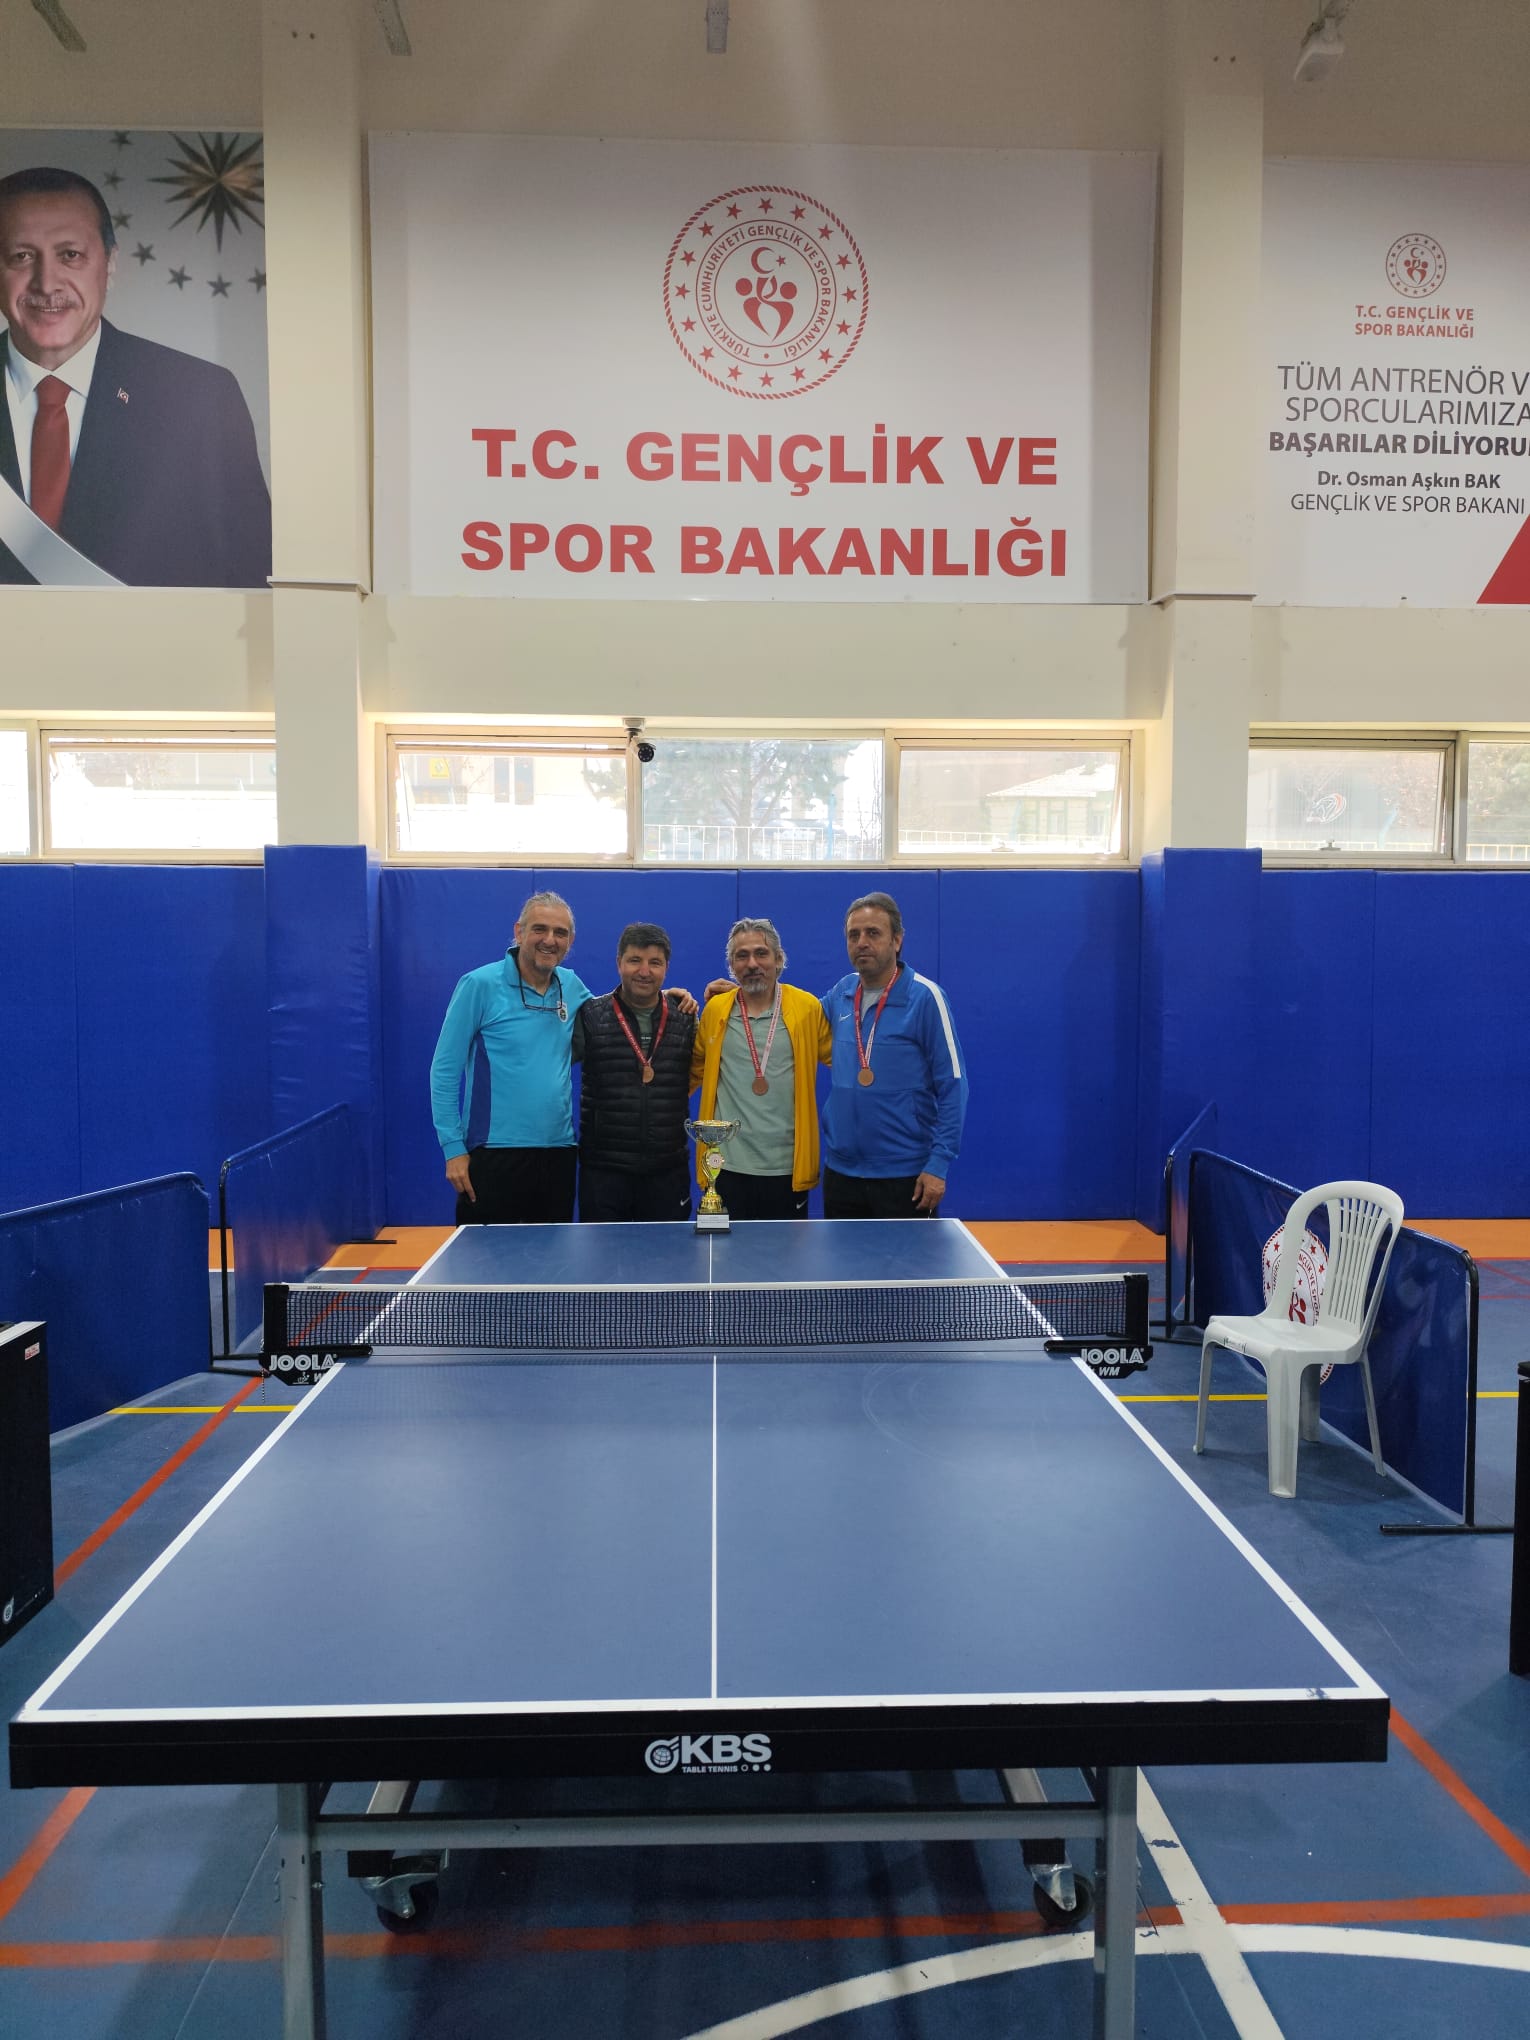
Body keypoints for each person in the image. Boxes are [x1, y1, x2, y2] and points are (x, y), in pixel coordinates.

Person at [0, 167, 272, 588]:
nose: (47, 283)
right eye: (21, 256)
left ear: (109, 264)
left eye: (70, 255)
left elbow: (253, 583)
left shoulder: (198, 399)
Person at [429, 891, 591, 1225]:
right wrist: (453, 1148)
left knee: (552, 1256)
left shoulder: (571, 985)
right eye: (539, 929)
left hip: (559, 1153)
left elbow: (613, 1018)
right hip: (493, 1153)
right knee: (485, 1258)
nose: (550, 940)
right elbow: (444, 1071)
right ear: (519, 932)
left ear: (570, 941)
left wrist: (662, 996)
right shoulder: (478, 985)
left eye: (560, 933)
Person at [820, 891, 967, 1217]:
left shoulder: (926, 998)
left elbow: (953, 1085)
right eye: (854, 935)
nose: (862, 942)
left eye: (873, 933)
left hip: (906, 1175)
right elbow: (796, 1019)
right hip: (841, 1174)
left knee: (906, 1256)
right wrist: (743, 994)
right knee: (843, 1254)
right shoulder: (842, 992)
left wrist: (939, 1163)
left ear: (897, 940)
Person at [691, 917, 832, 1221]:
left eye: (761, 953)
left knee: (785, 1252)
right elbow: (690, 1073)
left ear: (779, 959)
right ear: (732, 965)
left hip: (787, 1170)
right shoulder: (716, 1010)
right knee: (721, 1250)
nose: (752, 963)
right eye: (742, 956)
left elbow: (844, 1063)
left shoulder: (807, 1009)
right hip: (723, 1167)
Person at [573, 922, 698, 1223]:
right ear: (619, 963)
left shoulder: (686, 1018)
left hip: (667, 1173)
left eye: (654, 962)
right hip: (604, 1173)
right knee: (603, 1255)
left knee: (667, 1254)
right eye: (634, 960)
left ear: (666, 968)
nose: (644, 971)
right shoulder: (589, 1016)